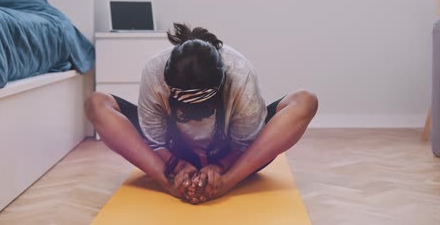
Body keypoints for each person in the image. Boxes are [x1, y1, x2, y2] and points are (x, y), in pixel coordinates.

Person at [85, 23, 318, 204]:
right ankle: (168, 184)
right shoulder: (154, 71)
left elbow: (244, 142)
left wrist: (221, 172)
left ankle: (227, 183)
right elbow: (155, 139)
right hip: (171, 152)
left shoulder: (239, 71)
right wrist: (175, 168)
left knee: (306, 100)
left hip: (234, 154)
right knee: (96, 103)